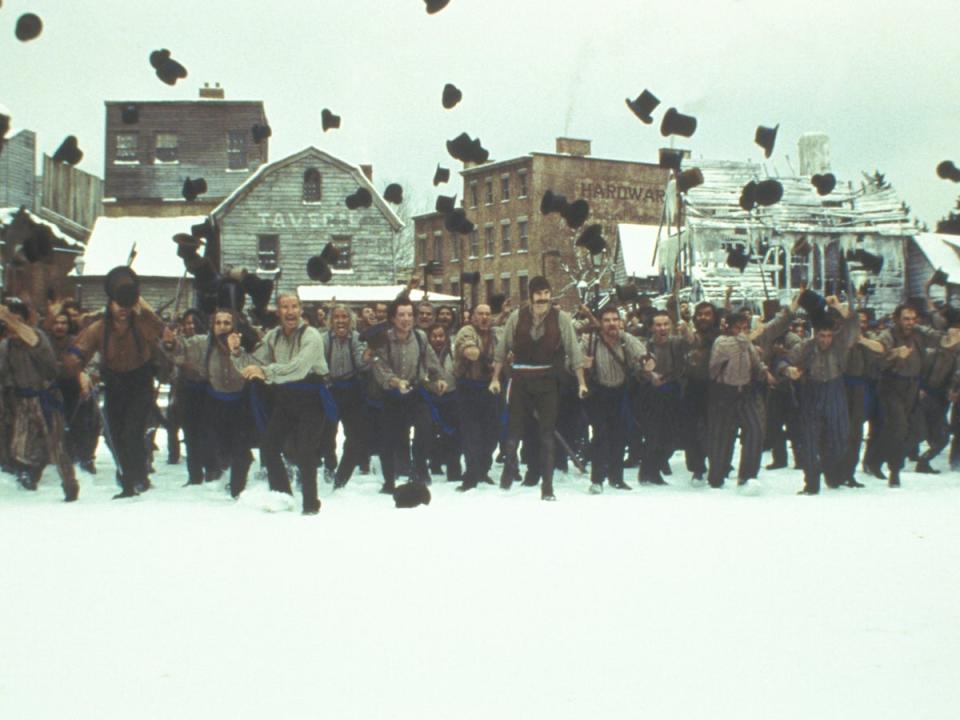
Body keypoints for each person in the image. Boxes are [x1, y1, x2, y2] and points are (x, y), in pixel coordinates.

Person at [229, 292, 330, 514]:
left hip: (311, 397)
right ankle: (282, 494)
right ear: (278, 311)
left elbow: (299, 368)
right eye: (285, 307)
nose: (290, 311)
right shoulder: (273, 336)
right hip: (285, 397)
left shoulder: (311, 336)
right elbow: (252, 364)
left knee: (305, 452)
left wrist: (265, 372)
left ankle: (311, 505)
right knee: (269, 446)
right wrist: (237, 352)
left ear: (301, 310)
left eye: (294, 306)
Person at [65, 280, 166, 499]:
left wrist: (141, 303)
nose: (122, 309)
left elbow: (161, 331)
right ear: (110, 304)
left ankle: (137, 477)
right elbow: (79, 350)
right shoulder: (99, 328)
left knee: (132, 432)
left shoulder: (142, 324)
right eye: (118, 304)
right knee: (116, 436)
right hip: (115, 385)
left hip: (140, 383)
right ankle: (127, 480)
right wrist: (77, 367)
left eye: (127, 304)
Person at [490, 276, 587, 501]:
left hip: (547, 382)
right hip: (521, 379)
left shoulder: (561, 318)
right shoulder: (517, 317)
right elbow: (501, 350)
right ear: (531, 296)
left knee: (546, 435)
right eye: (538, 295)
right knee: (514, 431)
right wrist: (495, 378)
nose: (542, 299)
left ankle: (548, 486)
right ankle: (509, 465)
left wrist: (581, 382)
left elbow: (574, 351)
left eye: (546, 295)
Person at [173, 308, 257, 498]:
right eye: (218, 323)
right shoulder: (203, 344)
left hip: (240, 403)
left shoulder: (245, 344)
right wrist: (171, 342)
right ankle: (219, 473)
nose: (222, 327)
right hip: (215, 402)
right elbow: (180, 350)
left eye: (227, 323)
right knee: (217, 445)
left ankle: (237, 489)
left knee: (240, 447)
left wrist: (239, 349)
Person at [782, 296, 862, 494]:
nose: (825, 339)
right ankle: (811, 483)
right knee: (809, 440)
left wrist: (837, 306)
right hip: (812, 393)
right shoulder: (805, 347)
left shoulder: (841, 345)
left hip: (835, 392)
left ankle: (832, 473)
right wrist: (788, 371)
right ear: (815, 334)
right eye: (821, 335)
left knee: (839, 440)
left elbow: (853, 324)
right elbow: (783, 361)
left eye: (828, 335)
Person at [873, 304, 960, 487]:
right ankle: (894, 472)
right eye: (906, 318)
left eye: (913, 319)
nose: (910, 322)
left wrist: (951, 337)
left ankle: (877, 458)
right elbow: (878, 356)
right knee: (899, 426)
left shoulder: (920, 333)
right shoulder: (889, 334)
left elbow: (941, 340)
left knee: (918, 430)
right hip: (892, 385)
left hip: (913, 387)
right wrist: (895, 354)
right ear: (897, 318)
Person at [0, 301, 79, 501]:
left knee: (57, 447)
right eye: (10, 322)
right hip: (23, 401)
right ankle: (34, 467)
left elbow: (50, 367)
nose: (13, 326)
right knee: (19, 450)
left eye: (19, 321)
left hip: (46, 399)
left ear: (26, 321)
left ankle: (70, 486)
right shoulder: (6, 346)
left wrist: (8, 316)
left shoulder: (38, 338)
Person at [371, 296, 444, 493]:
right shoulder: (384, 338)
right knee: (388, 438)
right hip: (391, 395)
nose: (406, 319)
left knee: (425, 427)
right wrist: (396, 382)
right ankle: (388, 480)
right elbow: (380, 368)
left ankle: (419, 467)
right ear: (393, 318)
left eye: (410, 315)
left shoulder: (420, 337)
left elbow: (433, 364)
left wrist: (439, 380)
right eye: (401, 315)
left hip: (415, 392)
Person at [581, 304, 648, 493]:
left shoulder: (627, 340)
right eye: (607, 320)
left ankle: (616, 477)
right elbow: (572, 362)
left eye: (615, 319)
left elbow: (643, 355)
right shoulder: (590, 341)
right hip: (598, 393)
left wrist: (648, 363)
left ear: (620, 321)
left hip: (620, 392)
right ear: (600, 323)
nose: (611, 324)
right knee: (600, 435)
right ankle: (597, 479)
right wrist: (581, 363)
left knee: (620, 435)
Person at [453, 303, 501, 492]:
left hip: (491, 389)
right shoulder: (466, 331)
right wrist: (494, 358)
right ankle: (471, 474)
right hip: (469, 388)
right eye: (480, 314)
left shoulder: (497, 333)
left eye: (488, 314)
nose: (484, 317)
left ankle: (483, 470)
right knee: (471, 434)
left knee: (491, 433)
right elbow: (471, 353)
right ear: (473, 316)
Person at [321, 304, 369, 490]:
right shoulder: (324, 339)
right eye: (337, 317)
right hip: (330, 391)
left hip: (352, 390)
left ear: (350, 320)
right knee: (327, 433)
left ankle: (341, 479)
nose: (341, 321)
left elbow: (361, 362)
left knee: (355, 437)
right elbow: (319, 362)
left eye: (344, 317)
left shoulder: (356, 338)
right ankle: (329, 464)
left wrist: (367, 356)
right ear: (331, 321)